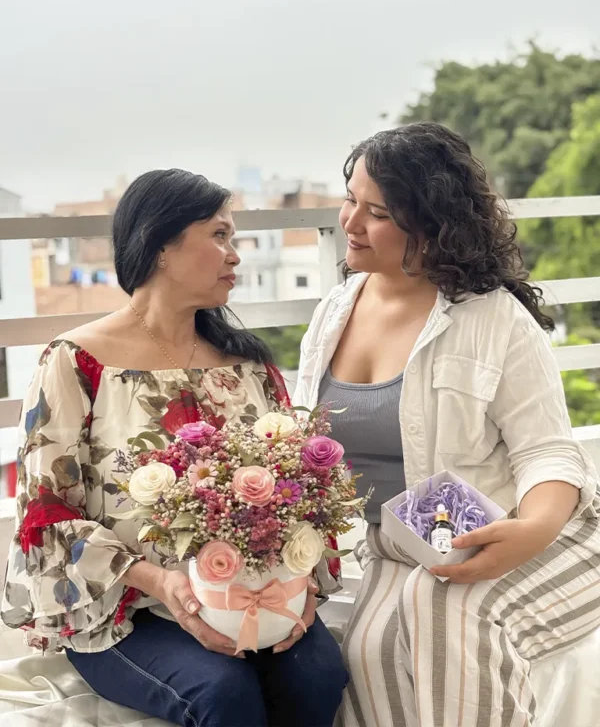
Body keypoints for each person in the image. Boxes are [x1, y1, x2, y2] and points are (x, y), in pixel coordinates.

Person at [1, 169, 347, 727]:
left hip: (253, 596)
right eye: (219, 236)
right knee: (222, 692)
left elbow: (301, 487)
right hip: (125, 609)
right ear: (160, 244)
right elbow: (45, 512)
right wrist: (161, 581)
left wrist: (300, 583)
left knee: (319, 674)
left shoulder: (250, 365)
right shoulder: (75, 362)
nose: (235, 256)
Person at [294, 123, 600, 727]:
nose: (350, 223)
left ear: (431, 230)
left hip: (530, 534)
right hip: (400, 545)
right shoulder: (333, 312)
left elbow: (547, 453)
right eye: (350, 199)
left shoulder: (492, 317)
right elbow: (305, 450)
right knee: (368, 655)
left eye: (376, 212)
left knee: (439, 608)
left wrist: (531, 528)